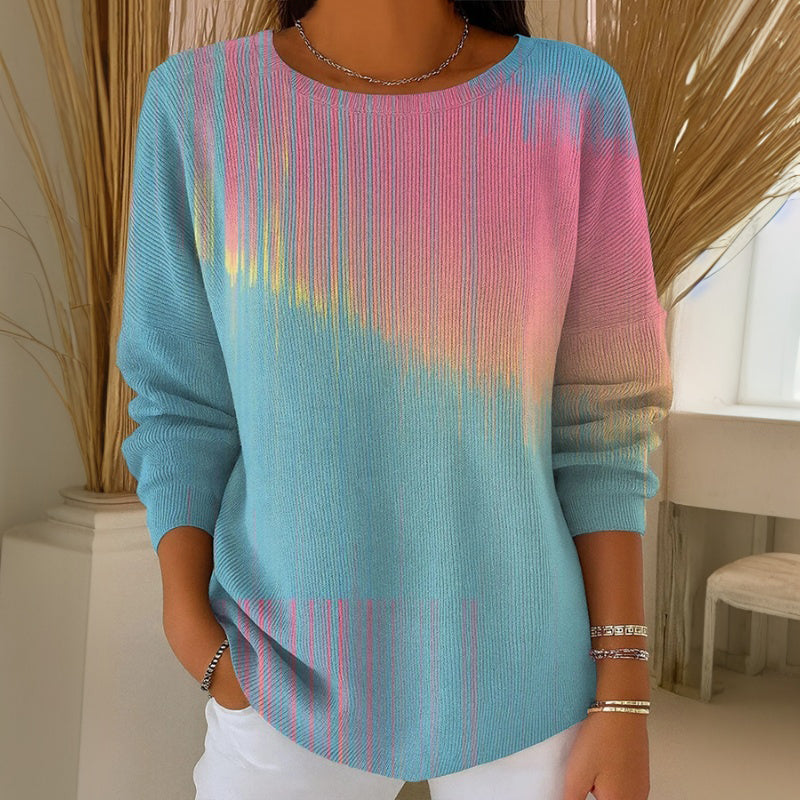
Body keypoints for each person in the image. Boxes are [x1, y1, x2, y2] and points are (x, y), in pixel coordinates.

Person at [115, 0, 672, 797]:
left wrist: (623, 684)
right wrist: (190, 628)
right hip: (279, 666)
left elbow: (602, 417)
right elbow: (181, 400)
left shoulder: (571, 99)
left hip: (530, 674)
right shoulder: (197, 103)